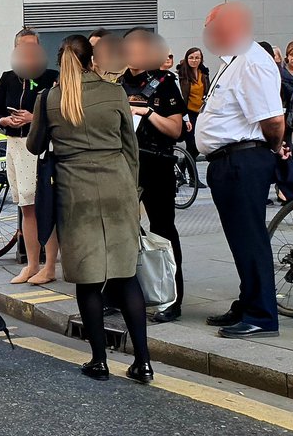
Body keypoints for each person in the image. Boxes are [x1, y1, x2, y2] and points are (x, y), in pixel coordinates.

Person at [27, 34, 153, 383]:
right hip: (117, 185)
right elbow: (131, 147)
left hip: (74, 189)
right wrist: (132, 188)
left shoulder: (51, 97)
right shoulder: (114, 94)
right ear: (91, 59)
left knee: (88, 280)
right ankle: (142, 362)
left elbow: (35, 144)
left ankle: (99, 361)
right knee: (126, 276)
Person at [196, 2, 286, 339]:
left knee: (250, 238)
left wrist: (271, 151)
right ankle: (248, 301)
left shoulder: (251, 61)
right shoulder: (231, 62)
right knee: (240, 239)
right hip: (227, 161)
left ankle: (262, 315)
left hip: (243, 160)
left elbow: (273, 120)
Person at [119, 28, 187, 323]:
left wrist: (146, 113)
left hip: (156, 162)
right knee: (121, 232)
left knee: (163, 230)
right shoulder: (117, 84)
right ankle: (122, 295)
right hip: (122, 164)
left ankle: (172, 297)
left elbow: (176, 129)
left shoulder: (165, 83)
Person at [0, 29, 59, 284]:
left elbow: (59, 112)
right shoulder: (8, 78)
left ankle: (50, 265)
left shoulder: (51, 77)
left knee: (45, 206)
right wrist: (5, 120)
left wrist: (34, 118)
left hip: (40, 146)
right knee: (25, 207)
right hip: (14, 144)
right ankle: (32, 264)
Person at [177, 47, 210, 157]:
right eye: (191, 58)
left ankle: (184, 165)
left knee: (198, 145)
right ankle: (192, 173)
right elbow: (180, 95)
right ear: (187, 59)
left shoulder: (204, 74)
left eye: (197, 58)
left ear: (201, 59)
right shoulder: (181, 75)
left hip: (201, 113)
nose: (194, 60)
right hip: (188, 113)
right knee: (191, 144)